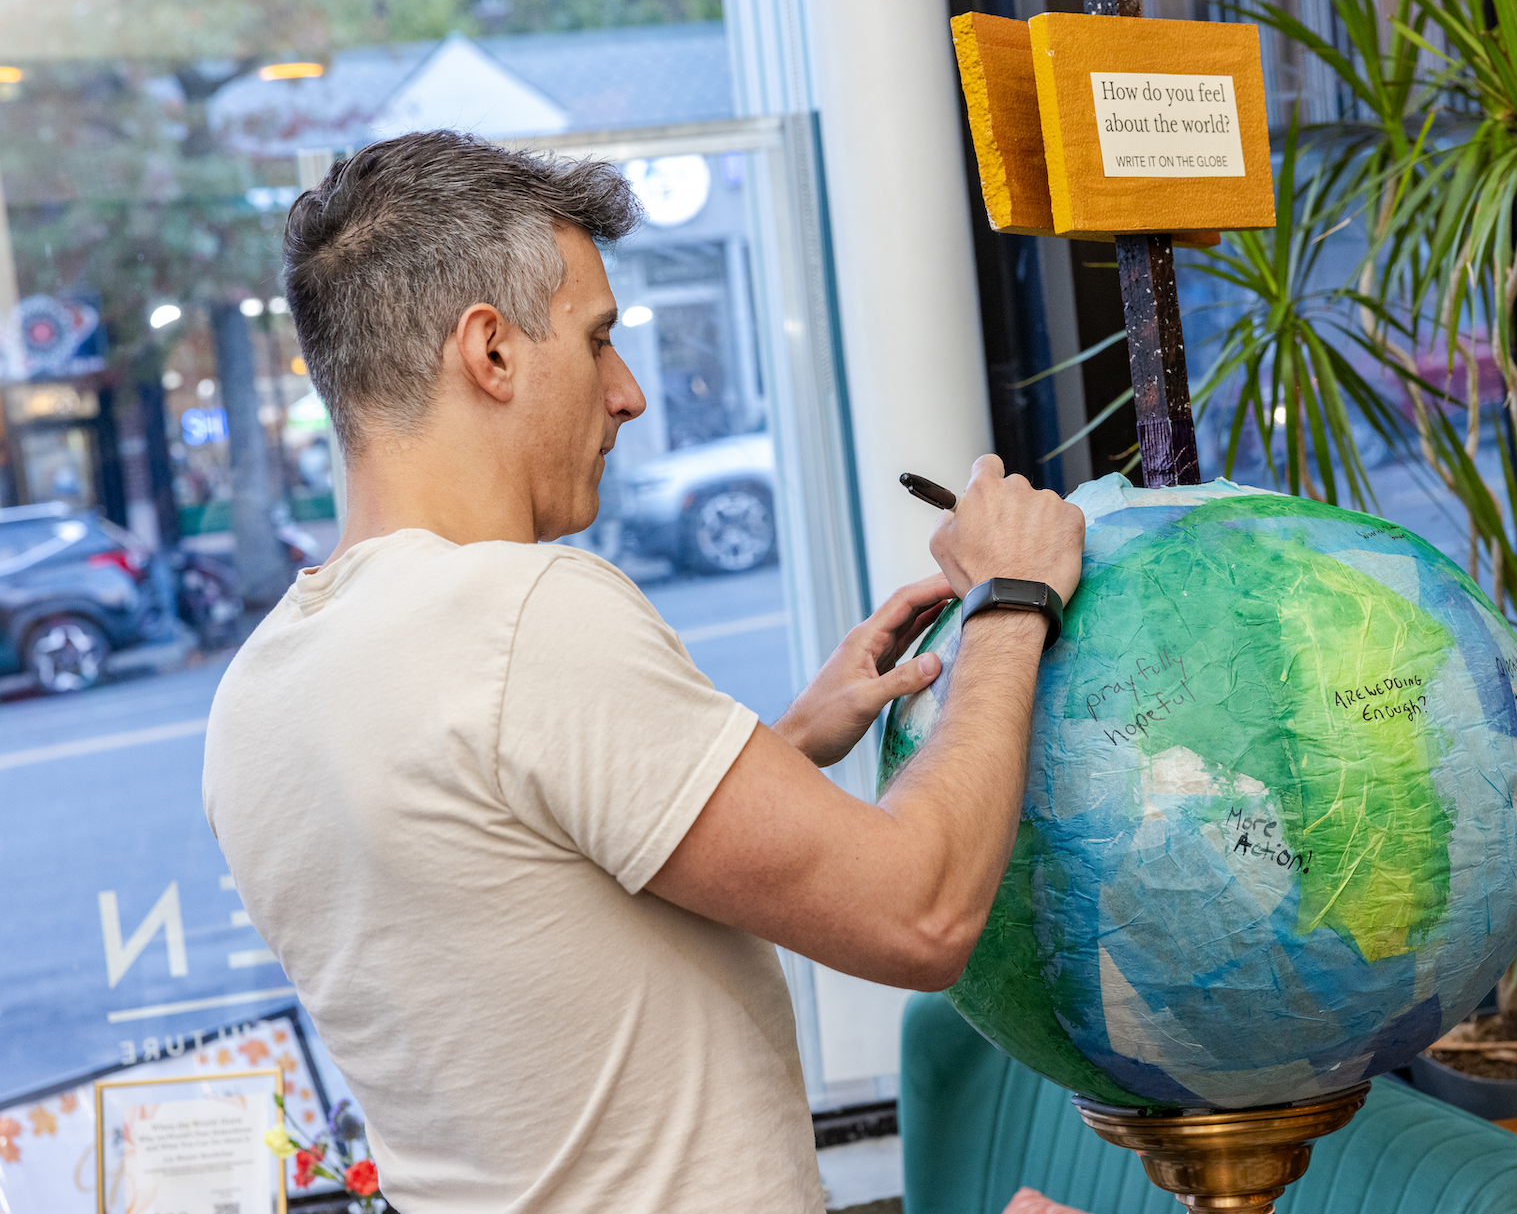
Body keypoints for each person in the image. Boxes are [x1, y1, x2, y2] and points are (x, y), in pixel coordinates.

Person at [202, 129, 1085, 1214]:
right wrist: (1011, 598)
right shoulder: (524, 617)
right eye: (599, 339)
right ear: (490, 352)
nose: (629, 394)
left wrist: (787, 746)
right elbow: (921, 916)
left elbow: (511, 888)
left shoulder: (258, 694)